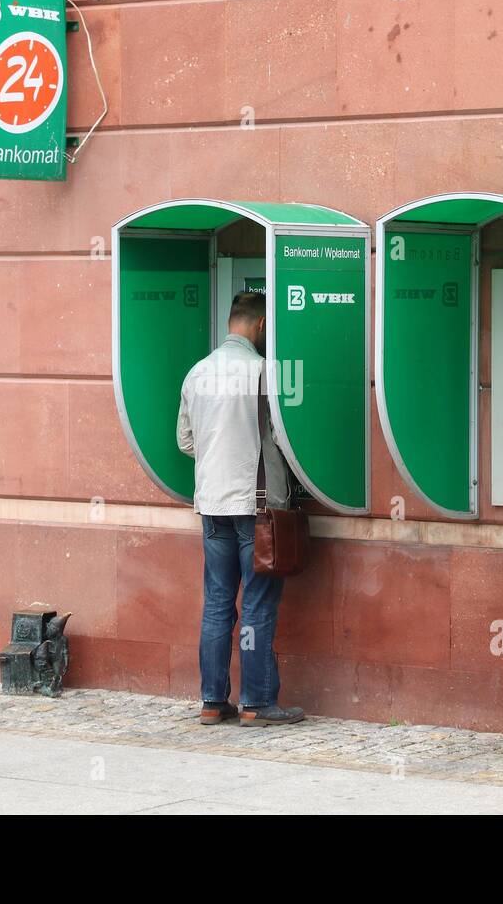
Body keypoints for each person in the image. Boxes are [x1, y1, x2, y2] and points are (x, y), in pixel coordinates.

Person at [176, 291, 306, 727]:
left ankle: (213, 701)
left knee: (216, 603)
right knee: (256, 605)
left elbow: (186, 441)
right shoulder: (263, 372)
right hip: (257, 508)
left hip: (211, 504)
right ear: (262, 325)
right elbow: (286, 439)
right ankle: (257, 702)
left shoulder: (197, 372)